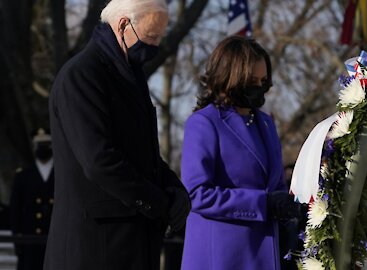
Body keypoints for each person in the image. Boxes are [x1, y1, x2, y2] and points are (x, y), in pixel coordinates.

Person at [44, 1, 191, 269]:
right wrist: (157, 202)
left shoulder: (130, 78)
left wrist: (174, 189)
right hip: (95, 247)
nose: (155, 46)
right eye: (150, 37)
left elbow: (142, 155)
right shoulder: (82, 76)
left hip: (130, 243)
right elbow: (99, 160)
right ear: (123, 25)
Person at [181, 36, 301, 270]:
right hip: (223, 257)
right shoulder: (204, 123)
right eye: (251, 81)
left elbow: (275, 187)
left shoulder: (266, 123)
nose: (258, 88)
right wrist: (262, 204)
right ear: (230, 77)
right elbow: (197, 194)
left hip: (266, 254)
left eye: (263, 81)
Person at [9, 128, 54, 270]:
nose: (42, 148)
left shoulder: (61, 173)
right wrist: (18, 239)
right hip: (30, 239)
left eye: (45, 144)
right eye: (39, 145)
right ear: (34, 147)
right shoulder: (23, 175)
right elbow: (15, 209)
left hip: (56, 237)